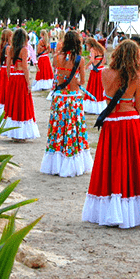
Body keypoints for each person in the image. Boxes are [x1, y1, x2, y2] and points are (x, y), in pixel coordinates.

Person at [81, 40, 140, 228]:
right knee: (129, 166)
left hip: (111, 123)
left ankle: (109, 207)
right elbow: (139, 107)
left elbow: (107, 98)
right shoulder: (137, 78)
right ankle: (127, 209)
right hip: (129, 122)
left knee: (110, 164)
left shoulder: (104, 73)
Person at [41, 30, 93, 177]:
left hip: (59, 98)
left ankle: (55, 162)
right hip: (73, 98)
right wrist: (75, 81)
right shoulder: (80, 60)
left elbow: (57, 76)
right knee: (72, 129)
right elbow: (82, 81)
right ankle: (71, 160)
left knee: (58, 129)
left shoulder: (56, 58)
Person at [2, 28, 40, 141]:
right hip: (21, 78)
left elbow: (8, 66)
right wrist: (28, 82)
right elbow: (25, 67)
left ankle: (14, 133)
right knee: (22, 103)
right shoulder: (24, 50)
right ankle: (21, 134)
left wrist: (9, 77)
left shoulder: (11, 49)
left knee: (13, 103)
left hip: (13, 77)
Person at [83, 37, 108, 114]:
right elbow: (104, 60)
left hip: (95, 71)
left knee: (92, 87)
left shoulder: (92, 49)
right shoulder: (101, 48)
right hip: (101, 69)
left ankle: (91, 107)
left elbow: (92, 60)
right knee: (100, 88)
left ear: (90, 44)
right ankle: (100, 106)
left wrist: (86, 66)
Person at [0, 29, 13, 113]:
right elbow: (10, 60)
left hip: (3, 69)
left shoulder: (2, 46)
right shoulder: (8, 47)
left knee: (2, 90)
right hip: (7, 69)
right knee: (7, 89)